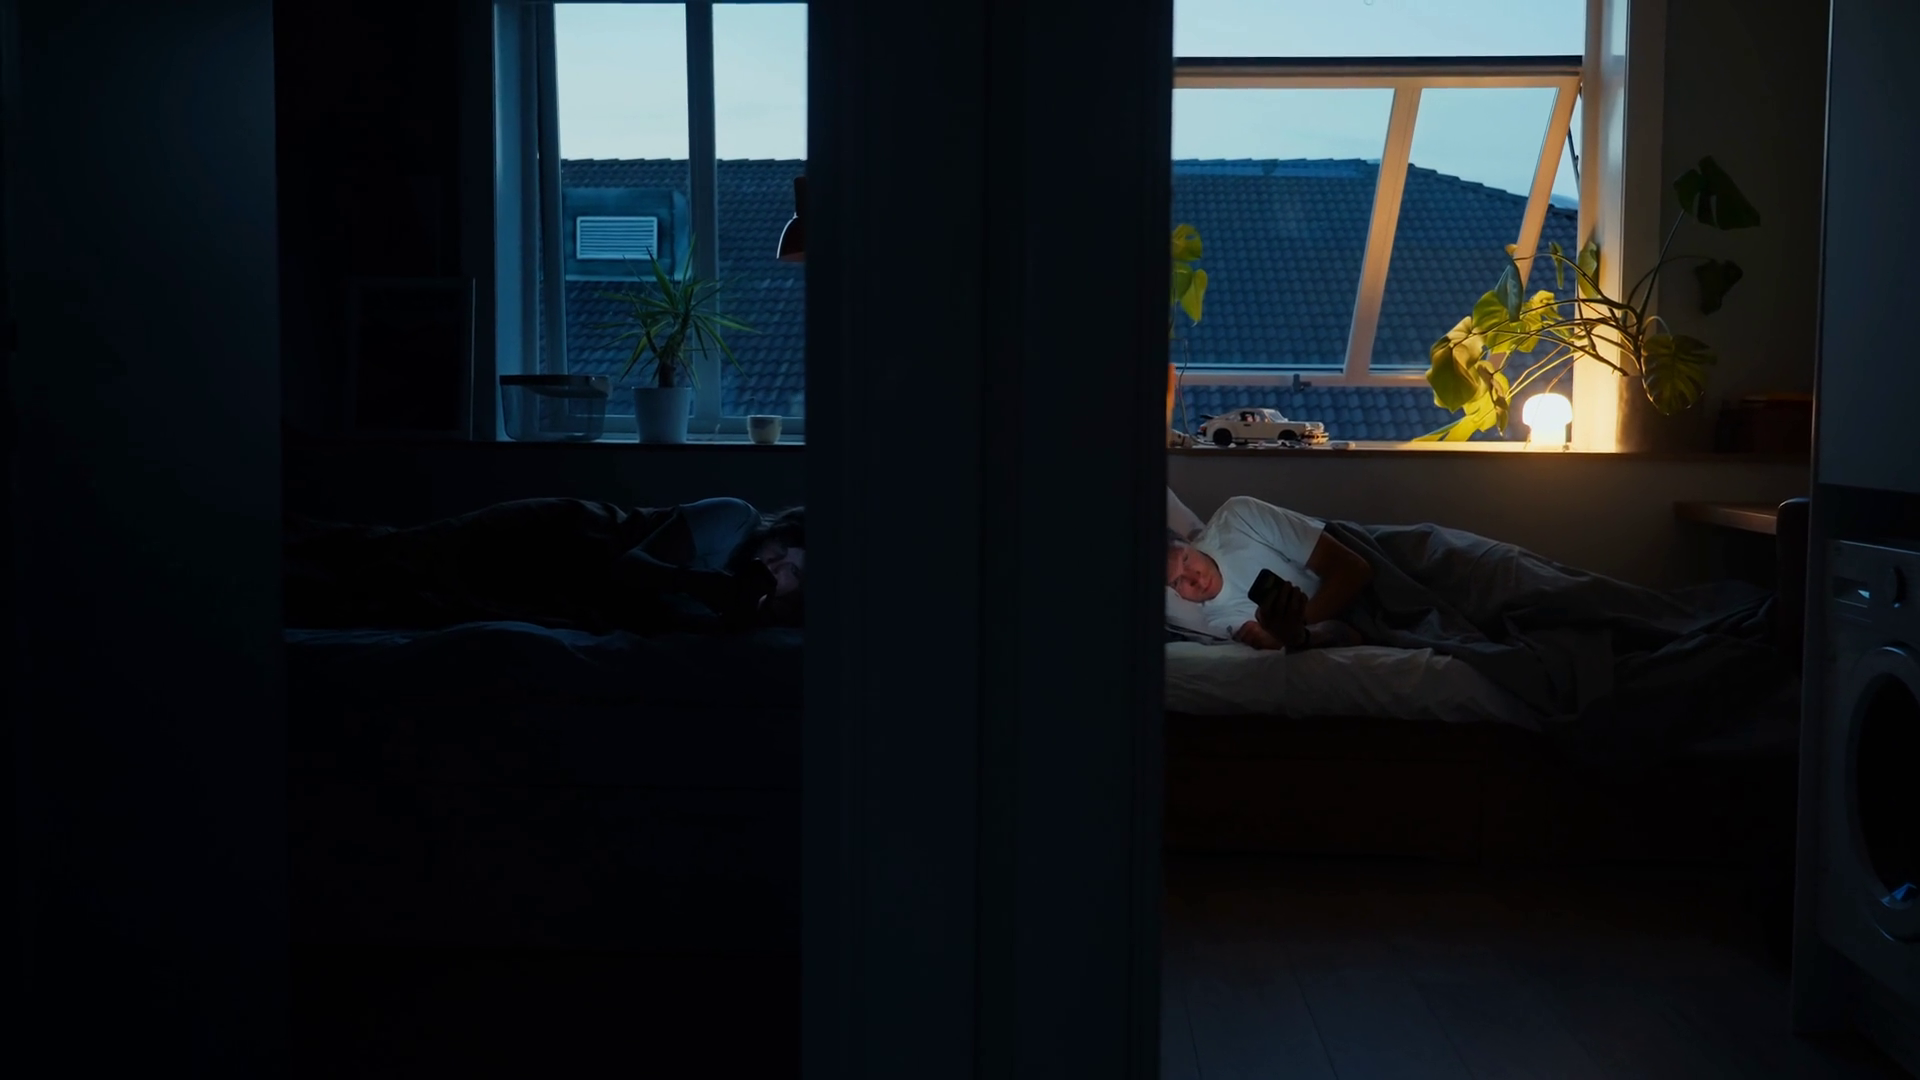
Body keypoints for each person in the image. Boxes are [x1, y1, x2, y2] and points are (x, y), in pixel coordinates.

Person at [285, 497, 805, 634]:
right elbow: (630, 567)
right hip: (561, 535)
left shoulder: (750, 606)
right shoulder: (734, 519)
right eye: (781, 546)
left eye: (794, 571)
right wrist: (700, 585)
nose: (776, 563)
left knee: (395, 586)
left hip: (560, 585)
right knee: (395, 552)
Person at [1165, 495, 1371, 651]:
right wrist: (1286, 637)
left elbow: (1354, 568)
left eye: (1186, 559)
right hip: (1344, 621)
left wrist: (1295, 628)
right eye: (1177, 582)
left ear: (1189, 542)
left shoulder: (1237, 518)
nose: (1196, 578)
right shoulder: (1208, 623)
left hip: (1365, 563)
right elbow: (1343, 635)